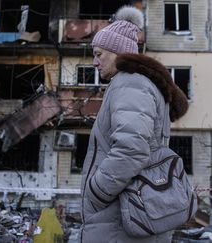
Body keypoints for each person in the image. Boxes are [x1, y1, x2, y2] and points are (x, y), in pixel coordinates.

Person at [79, 6, 189, 243]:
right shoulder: (137, 83)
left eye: (99, 54)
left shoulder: (130, 83)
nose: (94, 62)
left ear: (118, 53)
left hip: (120, 219)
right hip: (128, 216)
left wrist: (97, 191)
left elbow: (131, 148)